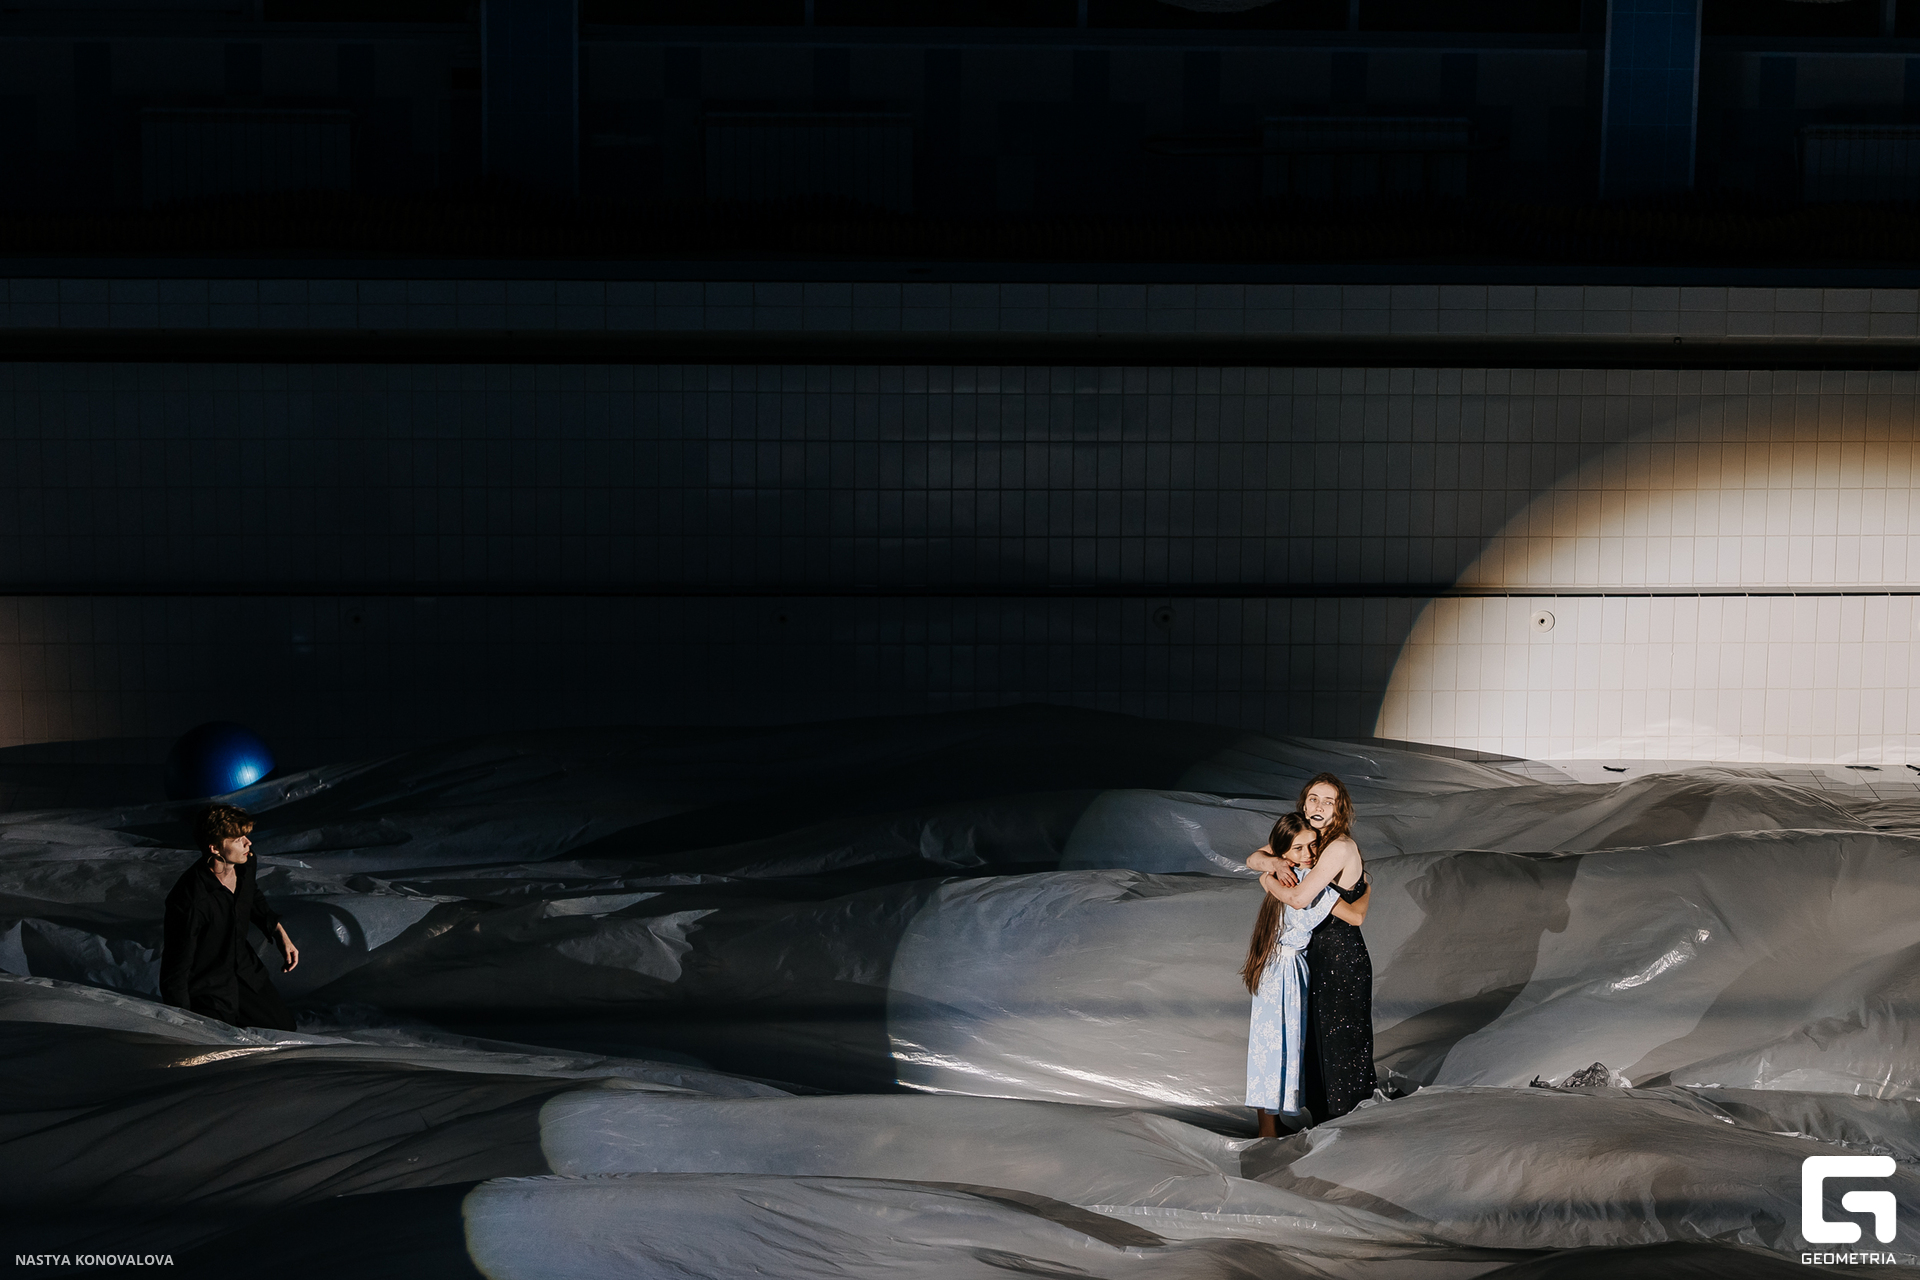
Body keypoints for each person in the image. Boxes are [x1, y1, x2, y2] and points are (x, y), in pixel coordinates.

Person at [1247, 772, 1375, 1122]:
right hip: (1312, 956)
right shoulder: (1308, 841)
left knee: (1339, 1048)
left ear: (1339, 809)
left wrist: (1266, 879)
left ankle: (1342, 1123)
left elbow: (1301, 898)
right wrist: (1273, 864)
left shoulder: (1336, 847)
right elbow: (1253, 857)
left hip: (1340, 957)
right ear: (1304, 804)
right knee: (1314, 1045)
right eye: (1313, 799)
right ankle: (1317, 1120)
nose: (1319, 806)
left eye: (1328, 801)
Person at [1242, 812, 1346, 1137]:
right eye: (1298, 849)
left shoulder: (1286, 874)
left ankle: (1271, 1123)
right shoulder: (1300, 879)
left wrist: (1270, 871)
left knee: (1273, 1044)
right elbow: (1349, 913)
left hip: (1279, 965)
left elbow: (1256, 861)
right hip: (1283, 970)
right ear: (1284, 852)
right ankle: (1267, 1128)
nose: (1308, 854)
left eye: (1312, 846)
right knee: (1274, 1044)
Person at [159, 803, 300, 1031]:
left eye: (246, 836)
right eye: (238, 839)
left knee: (284, 1031)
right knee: (225, 1043)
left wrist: (279, 933)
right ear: (215, 848)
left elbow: (251, 896)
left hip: (245, 972)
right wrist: (183, 1024)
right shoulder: (190, 900)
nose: (248, 843)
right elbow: (176, 969)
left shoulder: (246, 864)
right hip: (209, 988)